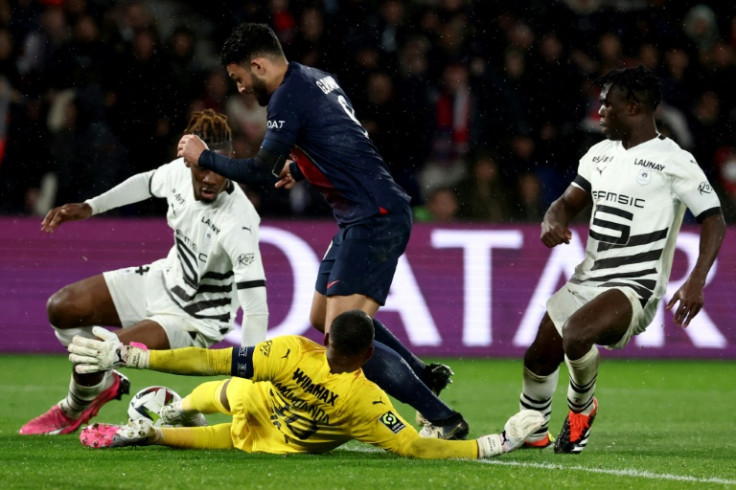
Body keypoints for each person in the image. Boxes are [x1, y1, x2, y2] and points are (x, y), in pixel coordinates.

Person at [177, 23, 467, 438]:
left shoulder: (286, 97)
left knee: (342, 339)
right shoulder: (314, 78)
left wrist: (206, 157)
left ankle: (444, 419)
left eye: (239, 78)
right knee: (321, 318)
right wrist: (302, 166)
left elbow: (259, 170)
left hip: (375, 215)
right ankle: (423, 374)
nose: (239, 88)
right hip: (359, 215)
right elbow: (341, 138)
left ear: (257, 65)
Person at [20, 109, 269, 435]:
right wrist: (91, 206)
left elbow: (255, 308)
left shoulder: (238, 220)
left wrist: (245, 386)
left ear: (229, 160)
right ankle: (101, 382)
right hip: (160, 279)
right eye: (202, 167)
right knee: (62, 307)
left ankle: (73, 406)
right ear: (188, 160)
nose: (210, 177)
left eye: (218, 166)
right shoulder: (177, 174)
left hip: (194, 318)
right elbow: (145, 183)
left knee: (98, 352)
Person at [517, 66, 726, 453]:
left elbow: (715, 220)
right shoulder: (599, 154)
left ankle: (582, 410)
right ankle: (533, 432)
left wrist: (696, 280)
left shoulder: (674, 160)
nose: (599, 111)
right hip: (589, 277)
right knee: (539, 354)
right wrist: (552, 220)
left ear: (632, 107)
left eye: (606, 104)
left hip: (636, 285)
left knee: (577, 334)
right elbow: (566, 204)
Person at [68, 310, 543, 458]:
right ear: (369, 357)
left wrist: (131, 355)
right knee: (227, 431)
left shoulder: (290, 350)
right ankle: (158, 428)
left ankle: (165, 418)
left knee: (227, 390)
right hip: (277, 441)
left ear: (326, 338)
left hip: (255, 401)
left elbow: (210, 360)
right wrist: (500, 442)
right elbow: (419, 449)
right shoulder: (365, 399)